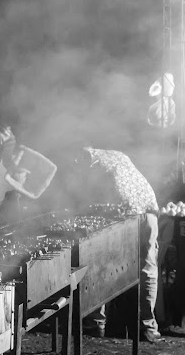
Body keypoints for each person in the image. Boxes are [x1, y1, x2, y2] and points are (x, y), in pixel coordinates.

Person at [54, 147, 161, 343]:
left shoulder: (86, 161)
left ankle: (95, 322)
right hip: (148, 210)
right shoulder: (116, 154)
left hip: (124, 212)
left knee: (99, 262)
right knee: (146, 267)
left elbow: (85, 199)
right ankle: (147, 327)